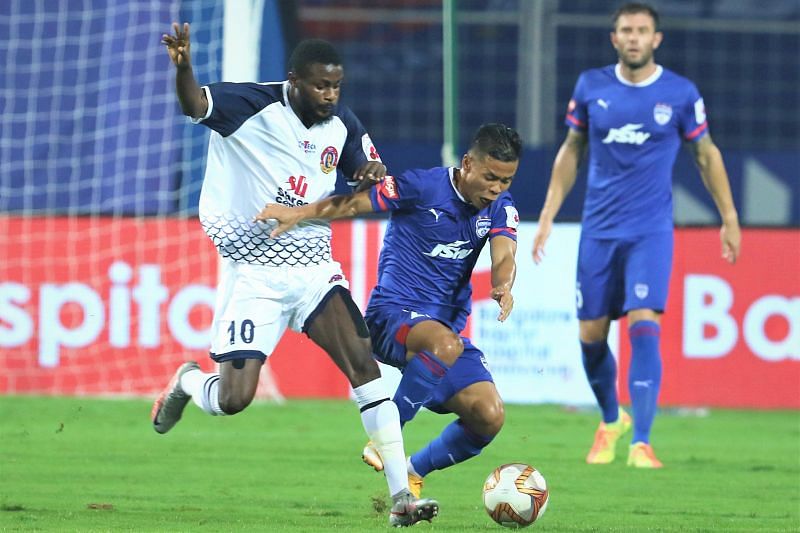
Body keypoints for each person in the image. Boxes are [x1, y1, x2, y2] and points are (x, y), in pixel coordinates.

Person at [152, 23, 438, 527]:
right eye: (319, 85)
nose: (329, 95)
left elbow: (372, 172)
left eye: (336, 85)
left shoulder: (342, 122)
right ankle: (190, 381)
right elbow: (194, 105)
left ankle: (401, 498)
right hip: (254, 275)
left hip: (313, 270)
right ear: (293, 81)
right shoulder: (251, 104)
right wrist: (183, 67)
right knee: (234, 398)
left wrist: (373, 173)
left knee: (365, 369)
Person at [255, 123, 522, 497]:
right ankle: (386, 438)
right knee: (445, 345)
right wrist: (299, 213)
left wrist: (503, 285)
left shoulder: (499, 208)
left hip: (442, 337)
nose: (496, 189)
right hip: (390, 317)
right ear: (467, 164)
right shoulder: (421, 187)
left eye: (506, 181)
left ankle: (412, 471)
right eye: (490, 177)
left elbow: (505, 254)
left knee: (488, 415)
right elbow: (352, 203)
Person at [532, 3, 741, 468]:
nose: (633, 38)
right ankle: (612, 420)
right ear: (614, 38)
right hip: (599, 231)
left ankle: (642, 442)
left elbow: (706, 155)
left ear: (656, 39)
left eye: (642, 31)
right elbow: (572, 150)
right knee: (591, 336)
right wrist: (548, 214)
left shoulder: (680, 94)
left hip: (650, 232)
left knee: (645, 324)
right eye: (626, 30)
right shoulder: (591, 86)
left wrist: (728, 217)